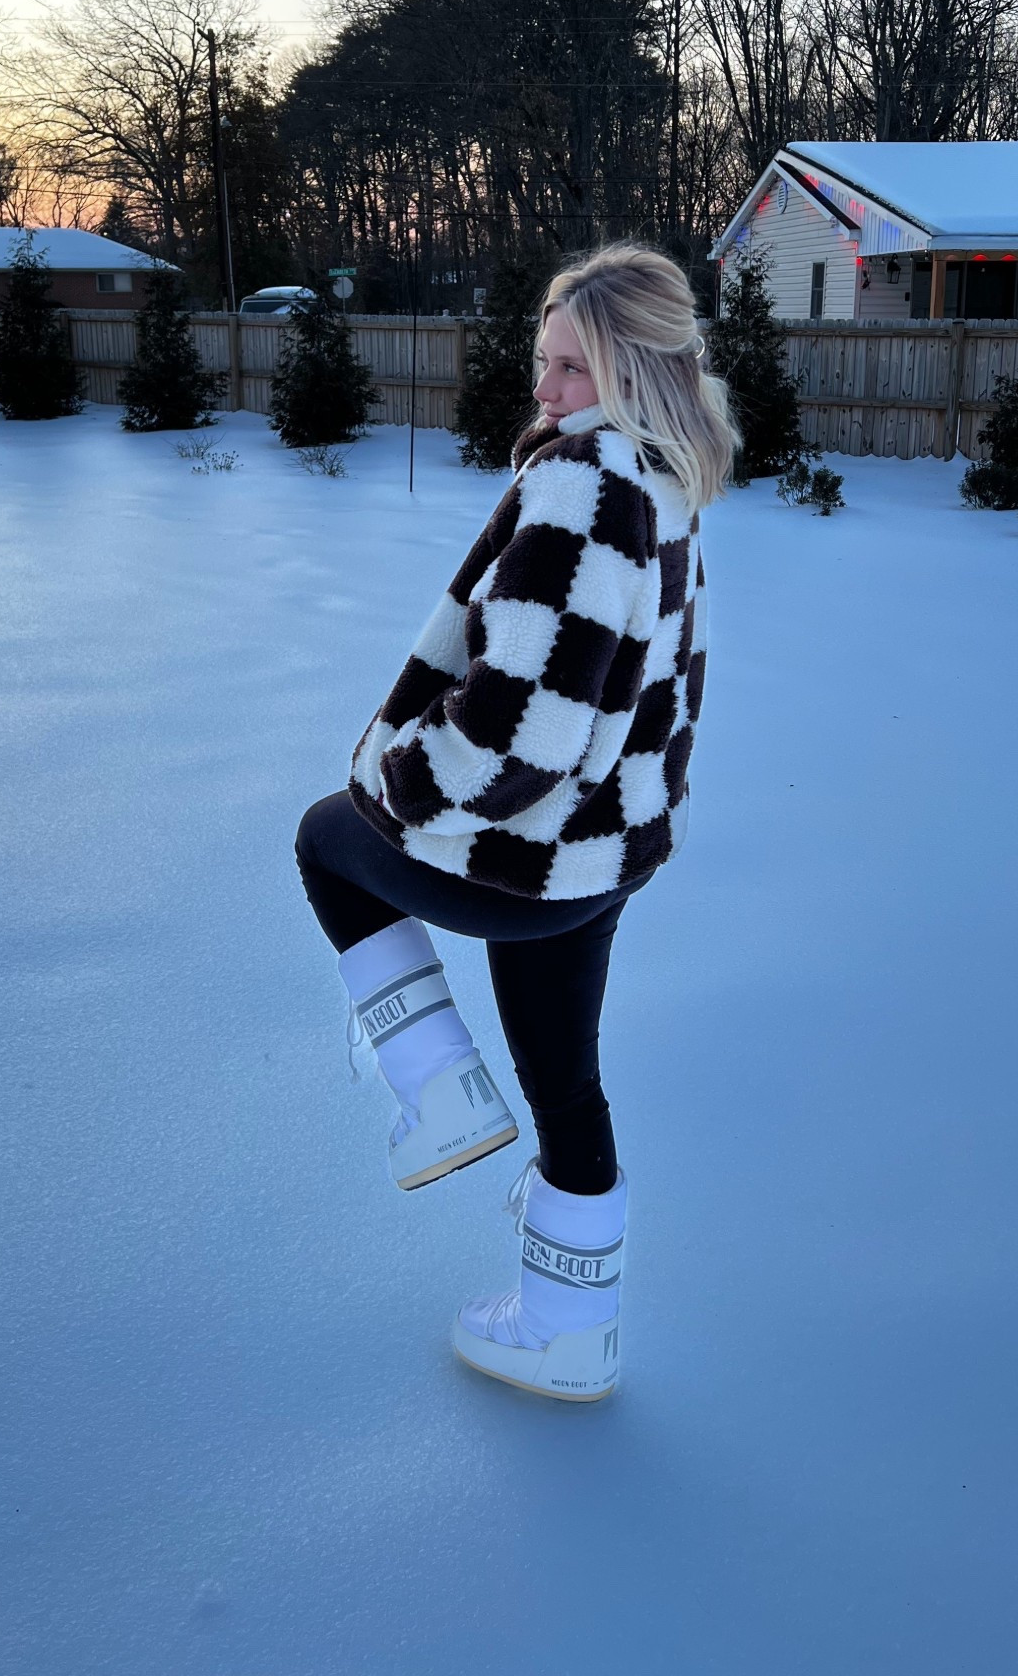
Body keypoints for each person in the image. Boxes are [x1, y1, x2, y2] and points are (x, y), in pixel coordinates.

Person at [295, 242, 738, 1402]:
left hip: (534, 855)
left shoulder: (587, 492)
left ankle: (437, 1091)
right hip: (605, 852)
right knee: (563, 1077)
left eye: (569, 370)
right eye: (543, 362)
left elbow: (514, 736)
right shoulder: (667, 482)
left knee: (326, 839)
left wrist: (397, 776)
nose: (542, 390)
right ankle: (569, 1328)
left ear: (637, 373)